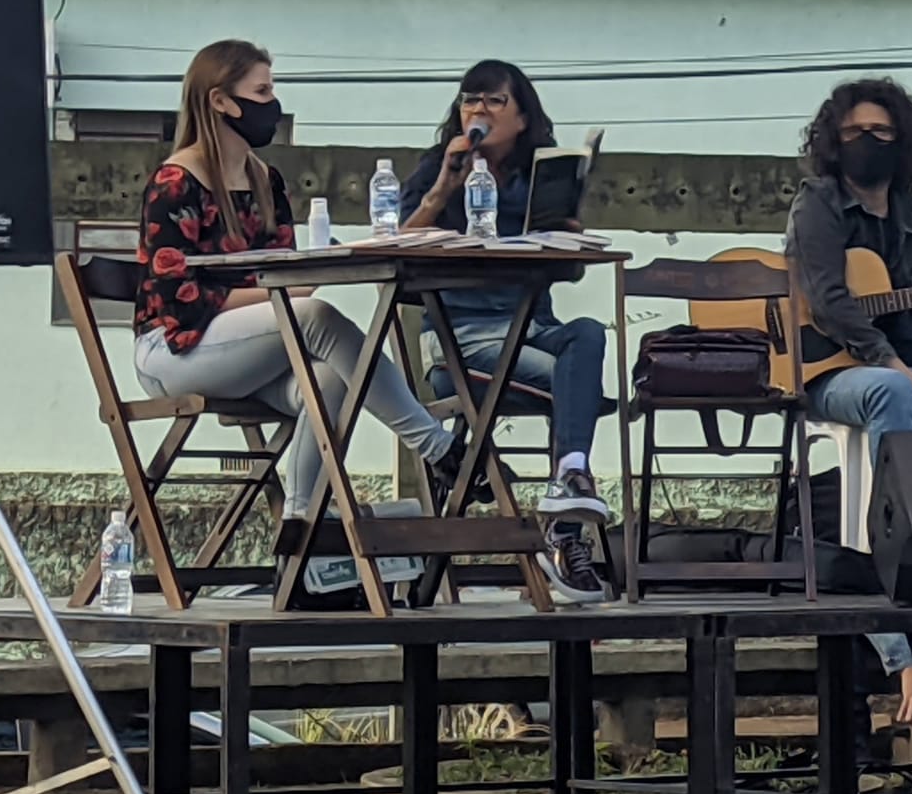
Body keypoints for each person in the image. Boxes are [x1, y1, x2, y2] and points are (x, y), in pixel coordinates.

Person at [133, 39, 458, 533]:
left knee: (330, 379)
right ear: (220, 101)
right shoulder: (175, 182)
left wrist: (298, 281)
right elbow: (183, 302)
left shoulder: (266, 180)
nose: (272, 103)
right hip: (173, 351)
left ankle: (303, 522)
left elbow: (283, 271)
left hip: (243, 351)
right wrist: (284, 294)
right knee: (315, 317)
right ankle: (435, 446)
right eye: (261, 91)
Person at [399, 59, 611, 604]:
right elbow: (397, 250)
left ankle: (570, 479)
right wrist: (441, 191)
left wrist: (567, 236)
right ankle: (565, 536)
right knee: (574, 387)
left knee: (588, 333)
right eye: (471, 100)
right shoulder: (437, 168)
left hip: (533, 329)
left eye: (495, 101)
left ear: (522, 118)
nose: (480, 110)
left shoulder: (538, 174)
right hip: (461, 343)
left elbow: (569, 273)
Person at [788, 78, 912, 728]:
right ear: (834, 140)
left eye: (881, 132)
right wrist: (905, 376)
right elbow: (831, 303)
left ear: (904, 141)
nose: (867, 142)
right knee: (891, 390)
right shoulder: (818, 206)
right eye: (855, 132)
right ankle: (895, 619)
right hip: (831, 373)